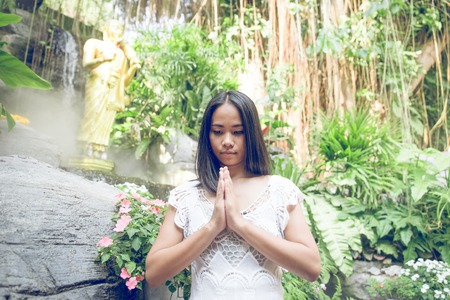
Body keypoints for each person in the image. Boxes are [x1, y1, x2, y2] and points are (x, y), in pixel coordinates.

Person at [145, 90, 321, 299]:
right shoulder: (186, 196)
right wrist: (212, 227)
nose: (227, 141)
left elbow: (311, 267)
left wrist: (241, 224)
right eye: (218, 132)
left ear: (253, 134)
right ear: (207, 135)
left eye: (238, 132)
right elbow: (154, 273)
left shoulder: (279, 191)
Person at [77, 20, 141, 159]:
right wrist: (103, 58)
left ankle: (99, 147)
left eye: (120, 28)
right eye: (114, 27)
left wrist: (132, 68)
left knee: (106, 119)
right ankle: (85, 144)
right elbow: (86, 64)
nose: (118, 30)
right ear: (106, 29)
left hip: (113, 90)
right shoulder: (94, 43)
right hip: (97, 85)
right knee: (93, 112)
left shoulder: (122, 55)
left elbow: (124, 82)